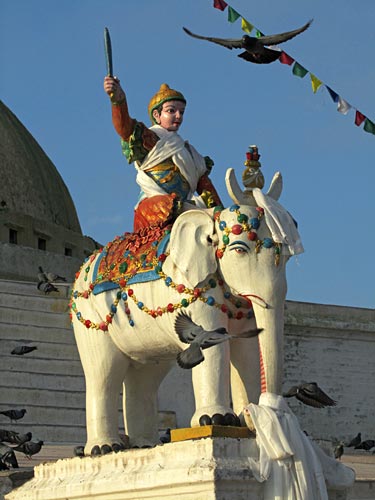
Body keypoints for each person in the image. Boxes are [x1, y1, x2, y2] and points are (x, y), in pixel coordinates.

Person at [104, 76, 222, 232]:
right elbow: (125, 129)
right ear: (156, 115)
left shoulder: (191, 153)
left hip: (189, 209)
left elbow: (205, 187)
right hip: (155, 206)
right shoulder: (150, 138)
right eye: (171, 111)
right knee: (167, 207)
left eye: (181, 112)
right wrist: (118, 101)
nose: (178, 116)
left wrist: (223, 214)